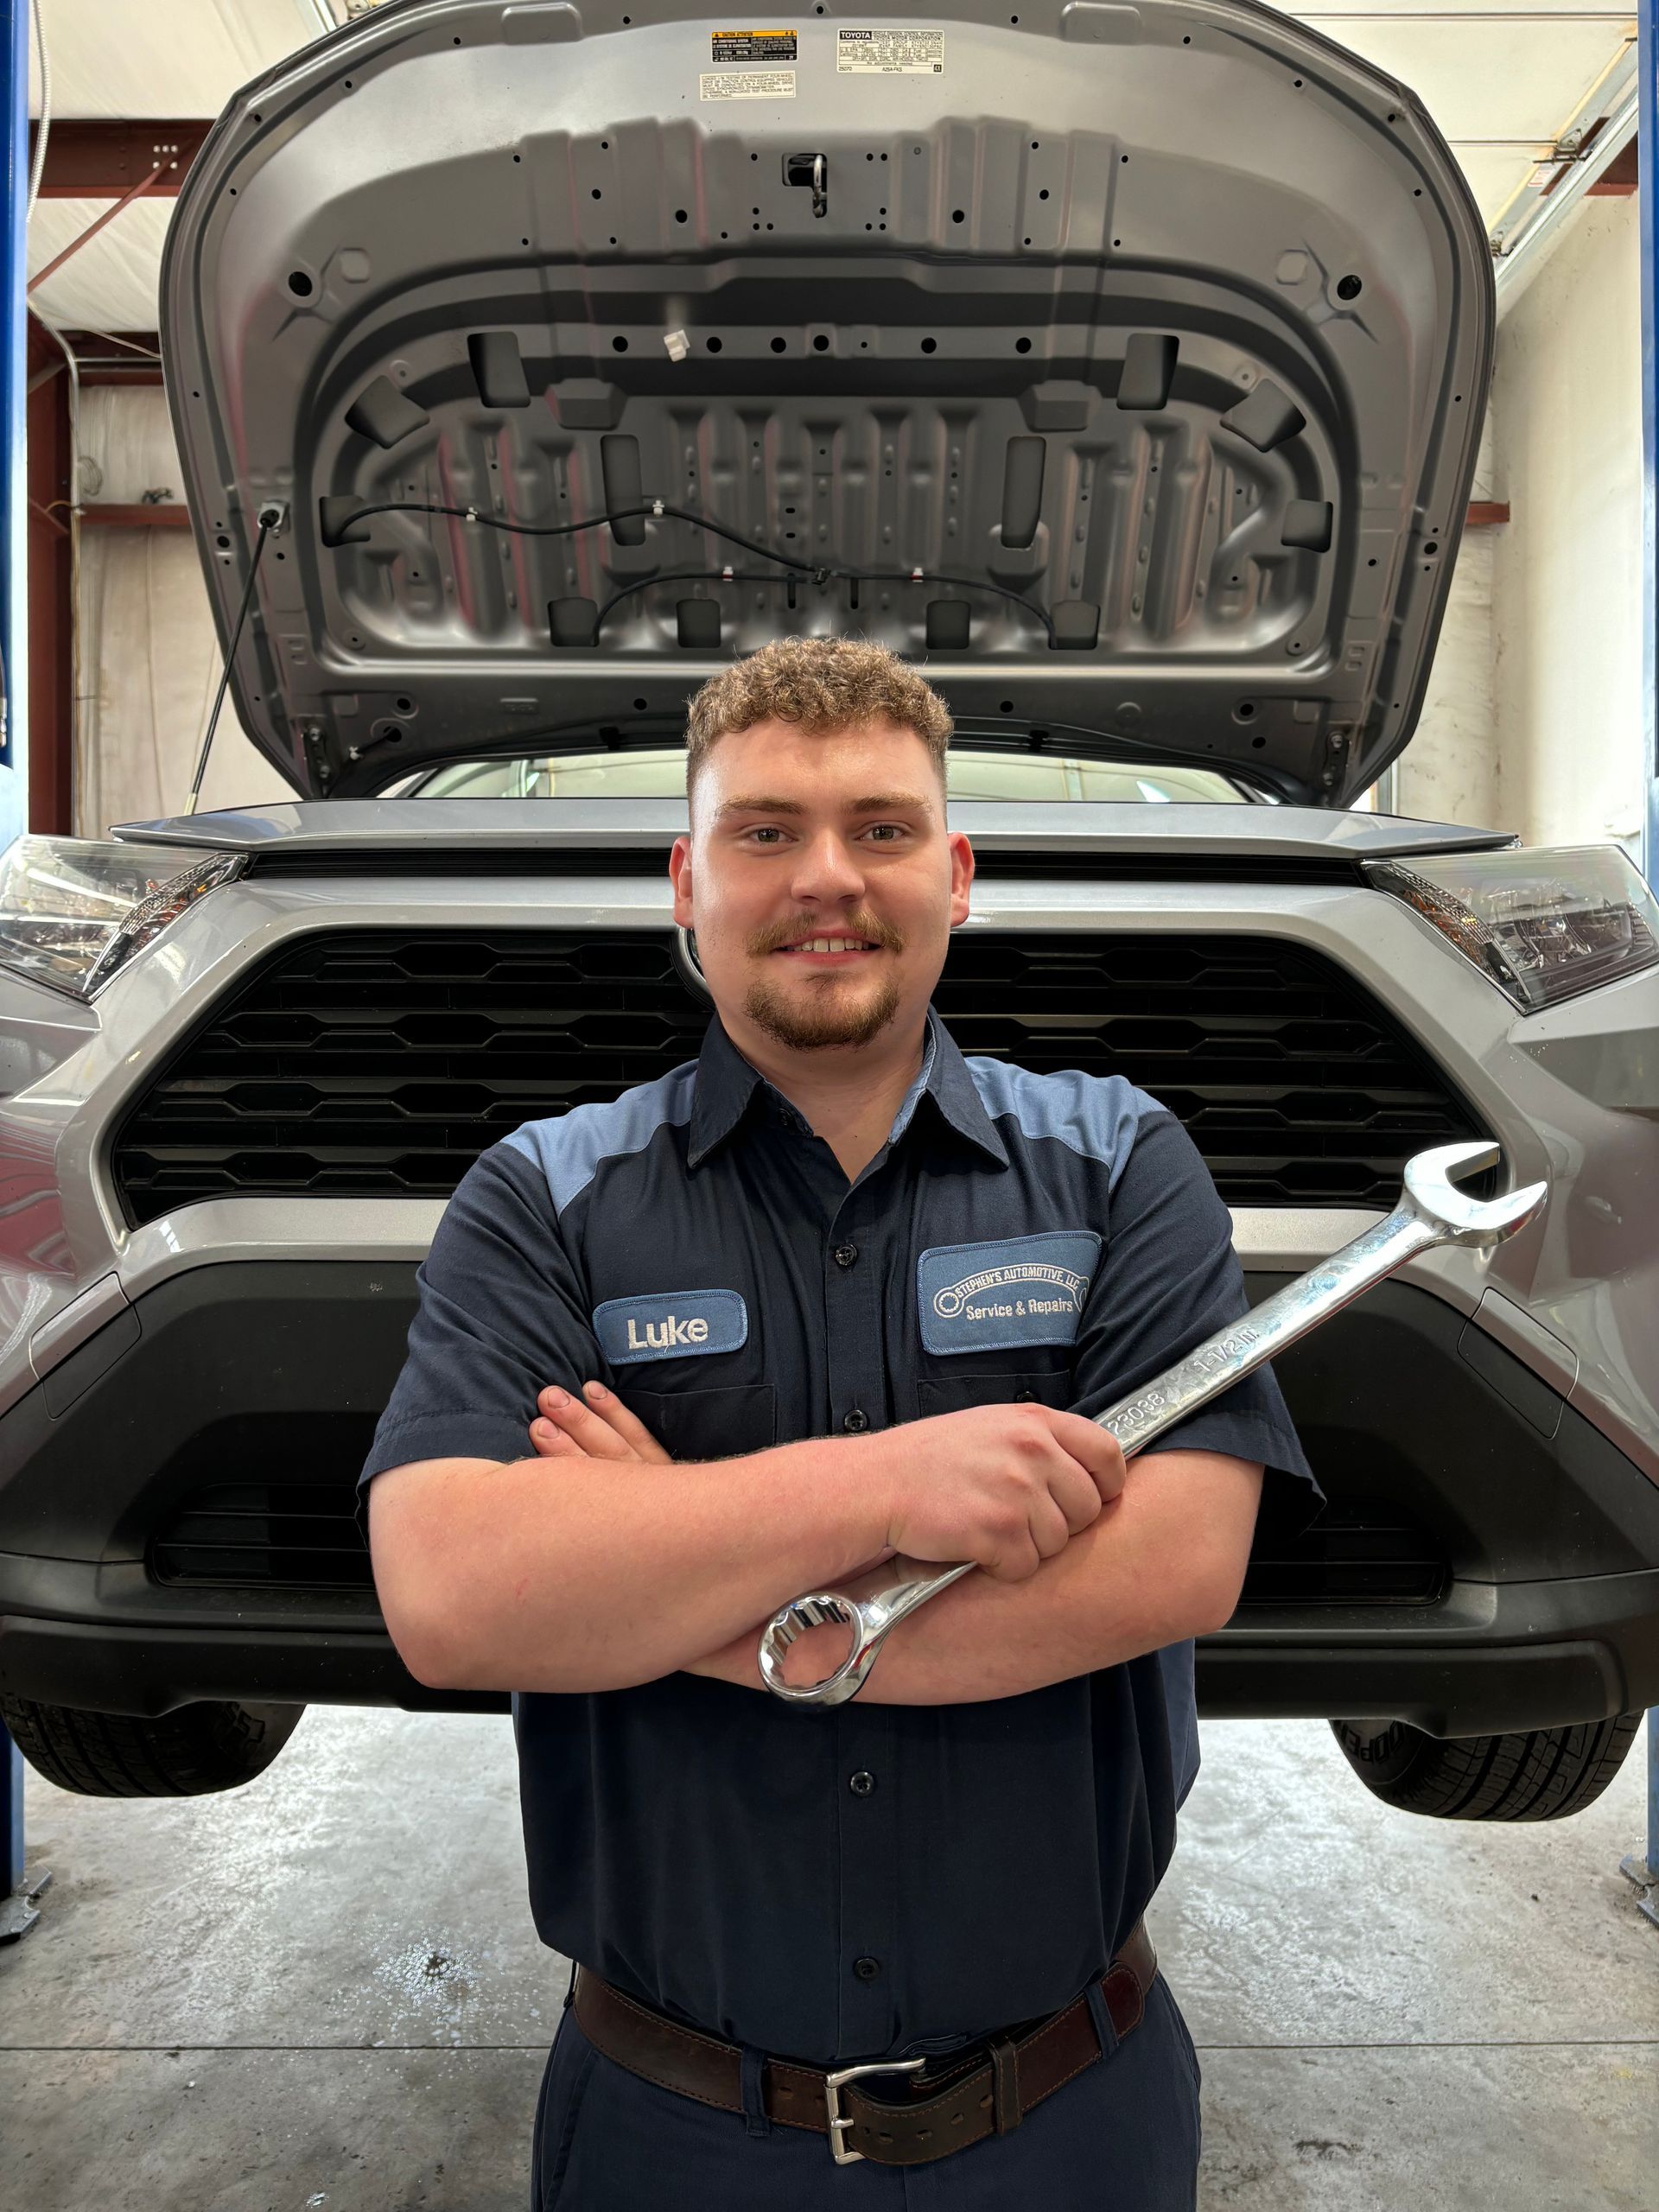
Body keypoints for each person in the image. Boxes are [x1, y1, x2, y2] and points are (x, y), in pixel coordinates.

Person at [359, 637, 1321, 2209]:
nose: (828, 878)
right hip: (669, 2132)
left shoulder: (1121, 1165)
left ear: (957, 875)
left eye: (880, 830)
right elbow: (458, 1597)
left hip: (1072, 2121)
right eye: (764, 833)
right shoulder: (543, 1199)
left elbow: (1178, 1565)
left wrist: (652, 1559)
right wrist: (894, 1482)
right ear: (685, 881)